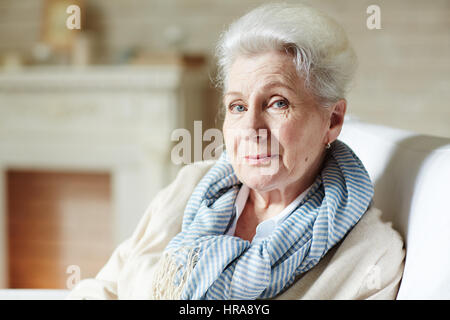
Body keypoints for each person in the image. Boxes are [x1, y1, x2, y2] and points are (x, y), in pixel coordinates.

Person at [67, 3, 404, 300]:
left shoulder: (371, 256)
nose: (251, 129)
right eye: (238, 106)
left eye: (277, 103)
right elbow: (105, 287)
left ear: (332, 119)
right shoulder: (191, 186)